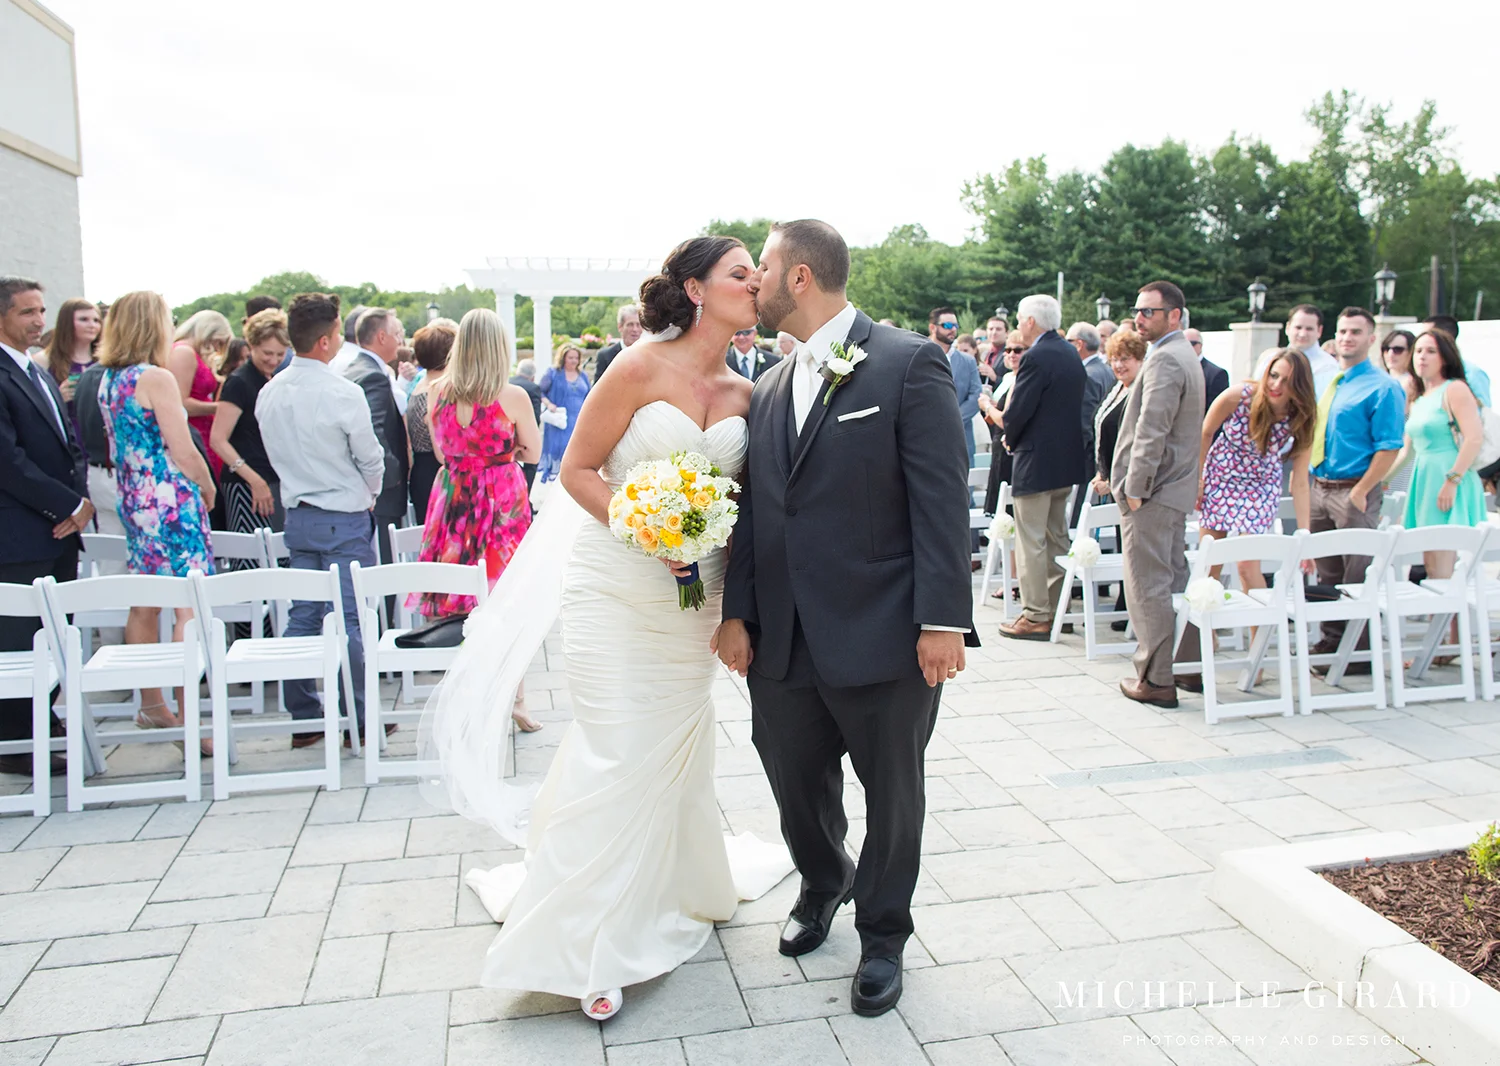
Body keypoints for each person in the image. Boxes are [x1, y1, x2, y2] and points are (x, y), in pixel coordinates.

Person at [424, 236, 793, 1022]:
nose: (755, 284)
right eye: (740, 274)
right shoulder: (635, 368)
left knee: (662, 744)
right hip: (614, 583)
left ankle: (665, 884)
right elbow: (576, 470)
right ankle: (586, 940)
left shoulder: (749, 391)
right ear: (695, 289)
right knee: (615, 743)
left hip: (693, 599)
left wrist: (734, 601)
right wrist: (646, 526)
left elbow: (747, 509)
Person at [718, 219, 973, 1019]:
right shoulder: (766, 385)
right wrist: (737, 613)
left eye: (762, 267)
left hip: (885, 629)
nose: (753, 282)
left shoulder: (907, 362)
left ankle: (884, 934)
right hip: (783, 636)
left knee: (893, 790)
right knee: (792, 778)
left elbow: (941, 497)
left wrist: (943, 619)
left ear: (800, 277)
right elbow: (757, 511)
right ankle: (825, 881)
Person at [256, 293, 386, 746]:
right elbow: (371, 458)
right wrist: (370, 493)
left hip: (298, 514)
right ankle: (360, 719)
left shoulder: (270, 392)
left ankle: (305, 717)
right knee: (351, 617)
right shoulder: (342, 392)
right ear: (326, 340)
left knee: (304, 614)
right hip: (342, 515)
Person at [409, 310, 541, 730]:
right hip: (501, 501)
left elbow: (442, 453)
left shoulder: (436, 392)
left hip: (454, 501)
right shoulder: (512, 396)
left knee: (461, 597)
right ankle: (515, 699)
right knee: (507, 599)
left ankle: (469, 695)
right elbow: (534, 452)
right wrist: (504, 453)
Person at [96, 291, 216, 738]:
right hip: (168, 499)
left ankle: (152, 705)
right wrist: (207, 486)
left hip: (133, 496)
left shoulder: (109, 379)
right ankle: (189, 717)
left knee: (145, 601)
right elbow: (183, 449)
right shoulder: (155, 377)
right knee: (189, 603)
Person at [0, 277, 89, 778]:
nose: (39, 320)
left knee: (54, 631)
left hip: (60, 527)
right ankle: (13, 741)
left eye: (40, 310)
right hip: (19, 532)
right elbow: (7, 461)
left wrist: (80, 504)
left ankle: (43, 720)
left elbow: (68, 444)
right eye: (26, 312)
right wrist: (64, 505)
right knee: (18, 637)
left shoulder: (34, 369)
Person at [1113, 281, 1205, 707]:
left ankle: (1155, 678)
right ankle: (1184, 667)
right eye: (1137, 310)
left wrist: (1135, 489)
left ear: (1174, 315)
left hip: (1154, 493)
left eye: (1148, 311)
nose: (1139, 318)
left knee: (1148, 586)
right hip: (1171, 490)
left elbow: (1152, 429)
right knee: (1173, 581)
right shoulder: (1180, 353)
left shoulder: (1167, 357)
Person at [1306, 307, 1406, 659]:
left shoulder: (1384, 387)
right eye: (1343, 331)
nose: (1347, 338)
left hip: (1354, 490)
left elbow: (1390, 446)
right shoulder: (1335, 381)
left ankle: (1359, 655)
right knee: (1327, 574)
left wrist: (1362, 490)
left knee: (1357, 574)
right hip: (1320, 486)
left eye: (1356, 332)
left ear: (1371, 338)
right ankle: (1332, 642)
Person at [998, 295, 1086, 640]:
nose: (1019, 325)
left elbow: (1019, 411)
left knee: (1031, 540)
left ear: (1031, 321)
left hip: (1036, 461)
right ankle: (1059, 608)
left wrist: (1010, 438)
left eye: (1020, 319)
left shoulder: (1036, 356)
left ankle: (1036, 614)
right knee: (1056, 536)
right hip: (1065, 460)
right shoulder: (1069, 352)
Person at [1197, 349, 1316, 594]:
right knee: (1210, 564)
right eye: (1273, 375)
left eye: (1286, 381)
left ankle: (1260, 620)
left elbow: (1300, 481)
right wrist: (1198, 480)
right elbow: (1205, 432)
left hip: (1261, 485)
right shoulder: (1239, 396)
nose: (1276, 385)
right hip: (1221, 477)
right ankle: (1207, 618)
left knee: (1247, 566)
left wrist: (1305, 534)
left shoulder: (1301, 417)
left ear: (1299, 386)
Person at [1399, 328, 1485, 561]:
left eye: (1430, 351)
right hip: (1424, 477)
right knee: (1430, 558)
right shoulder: (1419, 397)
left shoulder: (1455, 389)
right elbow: (1407, 450)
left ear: (1445, 357)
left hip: (1450, 475)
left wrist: (1452, 480)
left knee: (1447, 555)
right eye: (1418, 351)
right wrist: (1379, 482)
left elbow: (1474, 438)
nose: (1422, 357)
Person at [210, 308, 289, 541]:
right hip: (246, 485)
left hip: (271, 480)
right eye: (267, 353)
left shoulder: (270, 379)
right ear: (251, 345)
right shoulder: (238, 382)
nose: (273, 360)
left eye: (280, 354)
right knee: (251, 554)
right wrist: (254, 480)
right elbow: (218, 439)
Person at [346, 308, 410, 571]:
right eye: (397, 334)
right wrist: (392, 472)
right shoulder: (373, 375)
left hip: (365, 485)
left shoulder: (356, 368)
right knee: (384, 563)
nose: (400, 341)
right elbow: (372, 430)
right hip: (382, 489)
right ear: (382, 337)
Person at [404, 319, 457, 524]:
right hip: (437, 477)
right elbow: (442, 451)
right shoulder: (438, 391)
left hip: (422, 473)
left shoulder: (419, 386)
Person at [169, 310, 231, 477]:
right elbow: (181, 403)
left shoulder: (191, 352)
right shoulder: (183, 352)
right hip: (194, 430)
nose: (217, 348)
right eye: (218, 342)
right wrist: (220, 408)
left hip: (203, 428)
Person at [1067, 320, 1116, 520]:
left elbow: (1084, 422)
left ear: (1079, 344)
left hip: (1089, 457)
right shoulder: (1106, 370)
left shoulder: (1086, 375)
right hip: (1103, 454)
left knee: (1081, 513)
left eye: (1068, 341)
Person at [1090, 330, 1146, 500]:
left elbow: (1140, 442)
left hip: (1129, 485)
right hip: (1109, 481)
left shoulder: (1142, 391)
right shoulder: (1117, 387)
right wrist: (1102, 472)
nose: (1118, 365)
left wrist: (1112, 482)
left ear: (1140, 359)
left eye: (1125, 359)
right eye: (1114, 359)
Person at [39, 296, 102, 442]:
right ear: (66, 323)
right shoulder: (44, 360)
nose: (92, 325)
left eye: (96, 320)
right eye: (83, 319)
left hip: (100, 436)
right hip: (66, 435)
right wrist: (57, 398)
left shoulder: (106, 361)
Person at [979, 329, 1026, 519]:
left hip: (1009, 447)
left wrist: (987, 407)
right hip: (998, 444)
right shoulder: (1008, 378)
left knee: (1008, 513)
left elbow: (1007, 419)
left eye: (1018, 350)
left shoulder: (1022, 380)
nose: (1012, 354)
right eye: (1008, 350)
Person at [536, 343, 590, 482]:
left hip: (578, 419)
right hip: (559, 419)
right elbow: (539, 391)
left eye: (576, 358)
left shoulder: (582, 375)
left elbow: (589, 396)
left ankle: (572, 479)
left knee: (575, 450)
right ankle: (558, 478)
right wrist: (548, 404)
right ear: (563, 358)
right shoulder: (553, 373)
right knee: (559, 448)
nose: (574, 361)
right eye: (570, 357)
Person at [1283, 304, 1338, 397]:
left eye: (1309, 329)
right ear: (1287, 328)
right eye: (1298, 327)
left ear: (1319, 331)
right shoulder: (1270, 359)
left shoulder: (1328, 367)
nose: (1302, 334)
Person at [949, 332, 982, 469]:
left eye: (954, 325)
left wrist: (953, 420)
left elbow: (976, 394)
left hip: (963, 430)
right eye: (946, 325)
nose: (952, 329)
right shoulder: (924, 357)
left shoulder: (968, 361)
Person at [592, 303, 643, 379]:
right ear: (620, 327)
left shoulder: (649, 355)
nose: (635, 329)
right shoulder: (605, 356)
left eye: (638, 325)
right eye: (630, 324)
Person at [1186, 327, 1229, 407]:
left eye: (1191, 344)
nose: (1186, 347)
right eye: (1183, 344)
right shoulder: (1173, 369)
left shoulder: (1216, 374)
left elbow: (1218, 408)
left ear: (1200, 346)